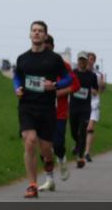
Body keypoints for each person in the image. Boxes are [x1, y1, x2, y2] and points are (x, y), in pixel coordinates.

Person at [14, 21, 70, 197]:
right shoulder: (22, 58)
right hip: (27, 106)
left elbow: (68, 78)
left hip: (46, 108)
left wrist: (54, 84)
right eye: (34, 30)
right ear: (30, 34)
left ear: (45, 36)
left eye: (40, 31)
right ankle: (32, 184)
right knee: (29, 141)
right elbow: (17, 77)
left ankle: (49, 161)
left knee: (46, 149)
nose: (37, 33)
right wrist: (17, 88)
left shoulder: (53, 59)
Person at [45, 35, 77, 186]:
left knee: (57, 144)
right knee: (44, 148)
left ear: (52, 46)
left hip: (60, 111)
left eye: (47, 45)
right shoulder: (35, 65)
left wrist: (58, 92)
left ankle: (62, 160)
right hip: (41, 110)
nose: (44, 47)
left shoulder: (63, 65)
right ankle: (49, 179)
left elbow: (75, 85)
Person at [70, 51, 99, 167]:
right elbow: (67, 84)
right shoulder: (73, 73)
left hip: (85, 108)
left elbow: (96, 90)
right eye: (80, 60)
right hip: (73, 106)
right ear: (78, 61)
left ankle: (80, 157)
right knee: (73, 131)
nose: (82, 62)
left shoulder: (91, 75)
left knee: (82, 131)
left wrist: (93, 91)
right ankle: (77, 144)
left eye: (84, 60)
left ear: (87, 61)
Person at [84, 51, 106, 162]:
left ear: (94, 61)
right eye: (88, 58)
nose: (90, 61)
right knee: (81, 128)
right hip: (82, 103)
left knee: (90, 128)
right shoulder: (79, 72)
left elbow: (101, 90)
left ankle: (87, 152)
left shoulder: (98, 74)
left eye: (92, 59)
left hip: (94, 103)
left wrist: (102, 85)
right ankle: (79, 145)